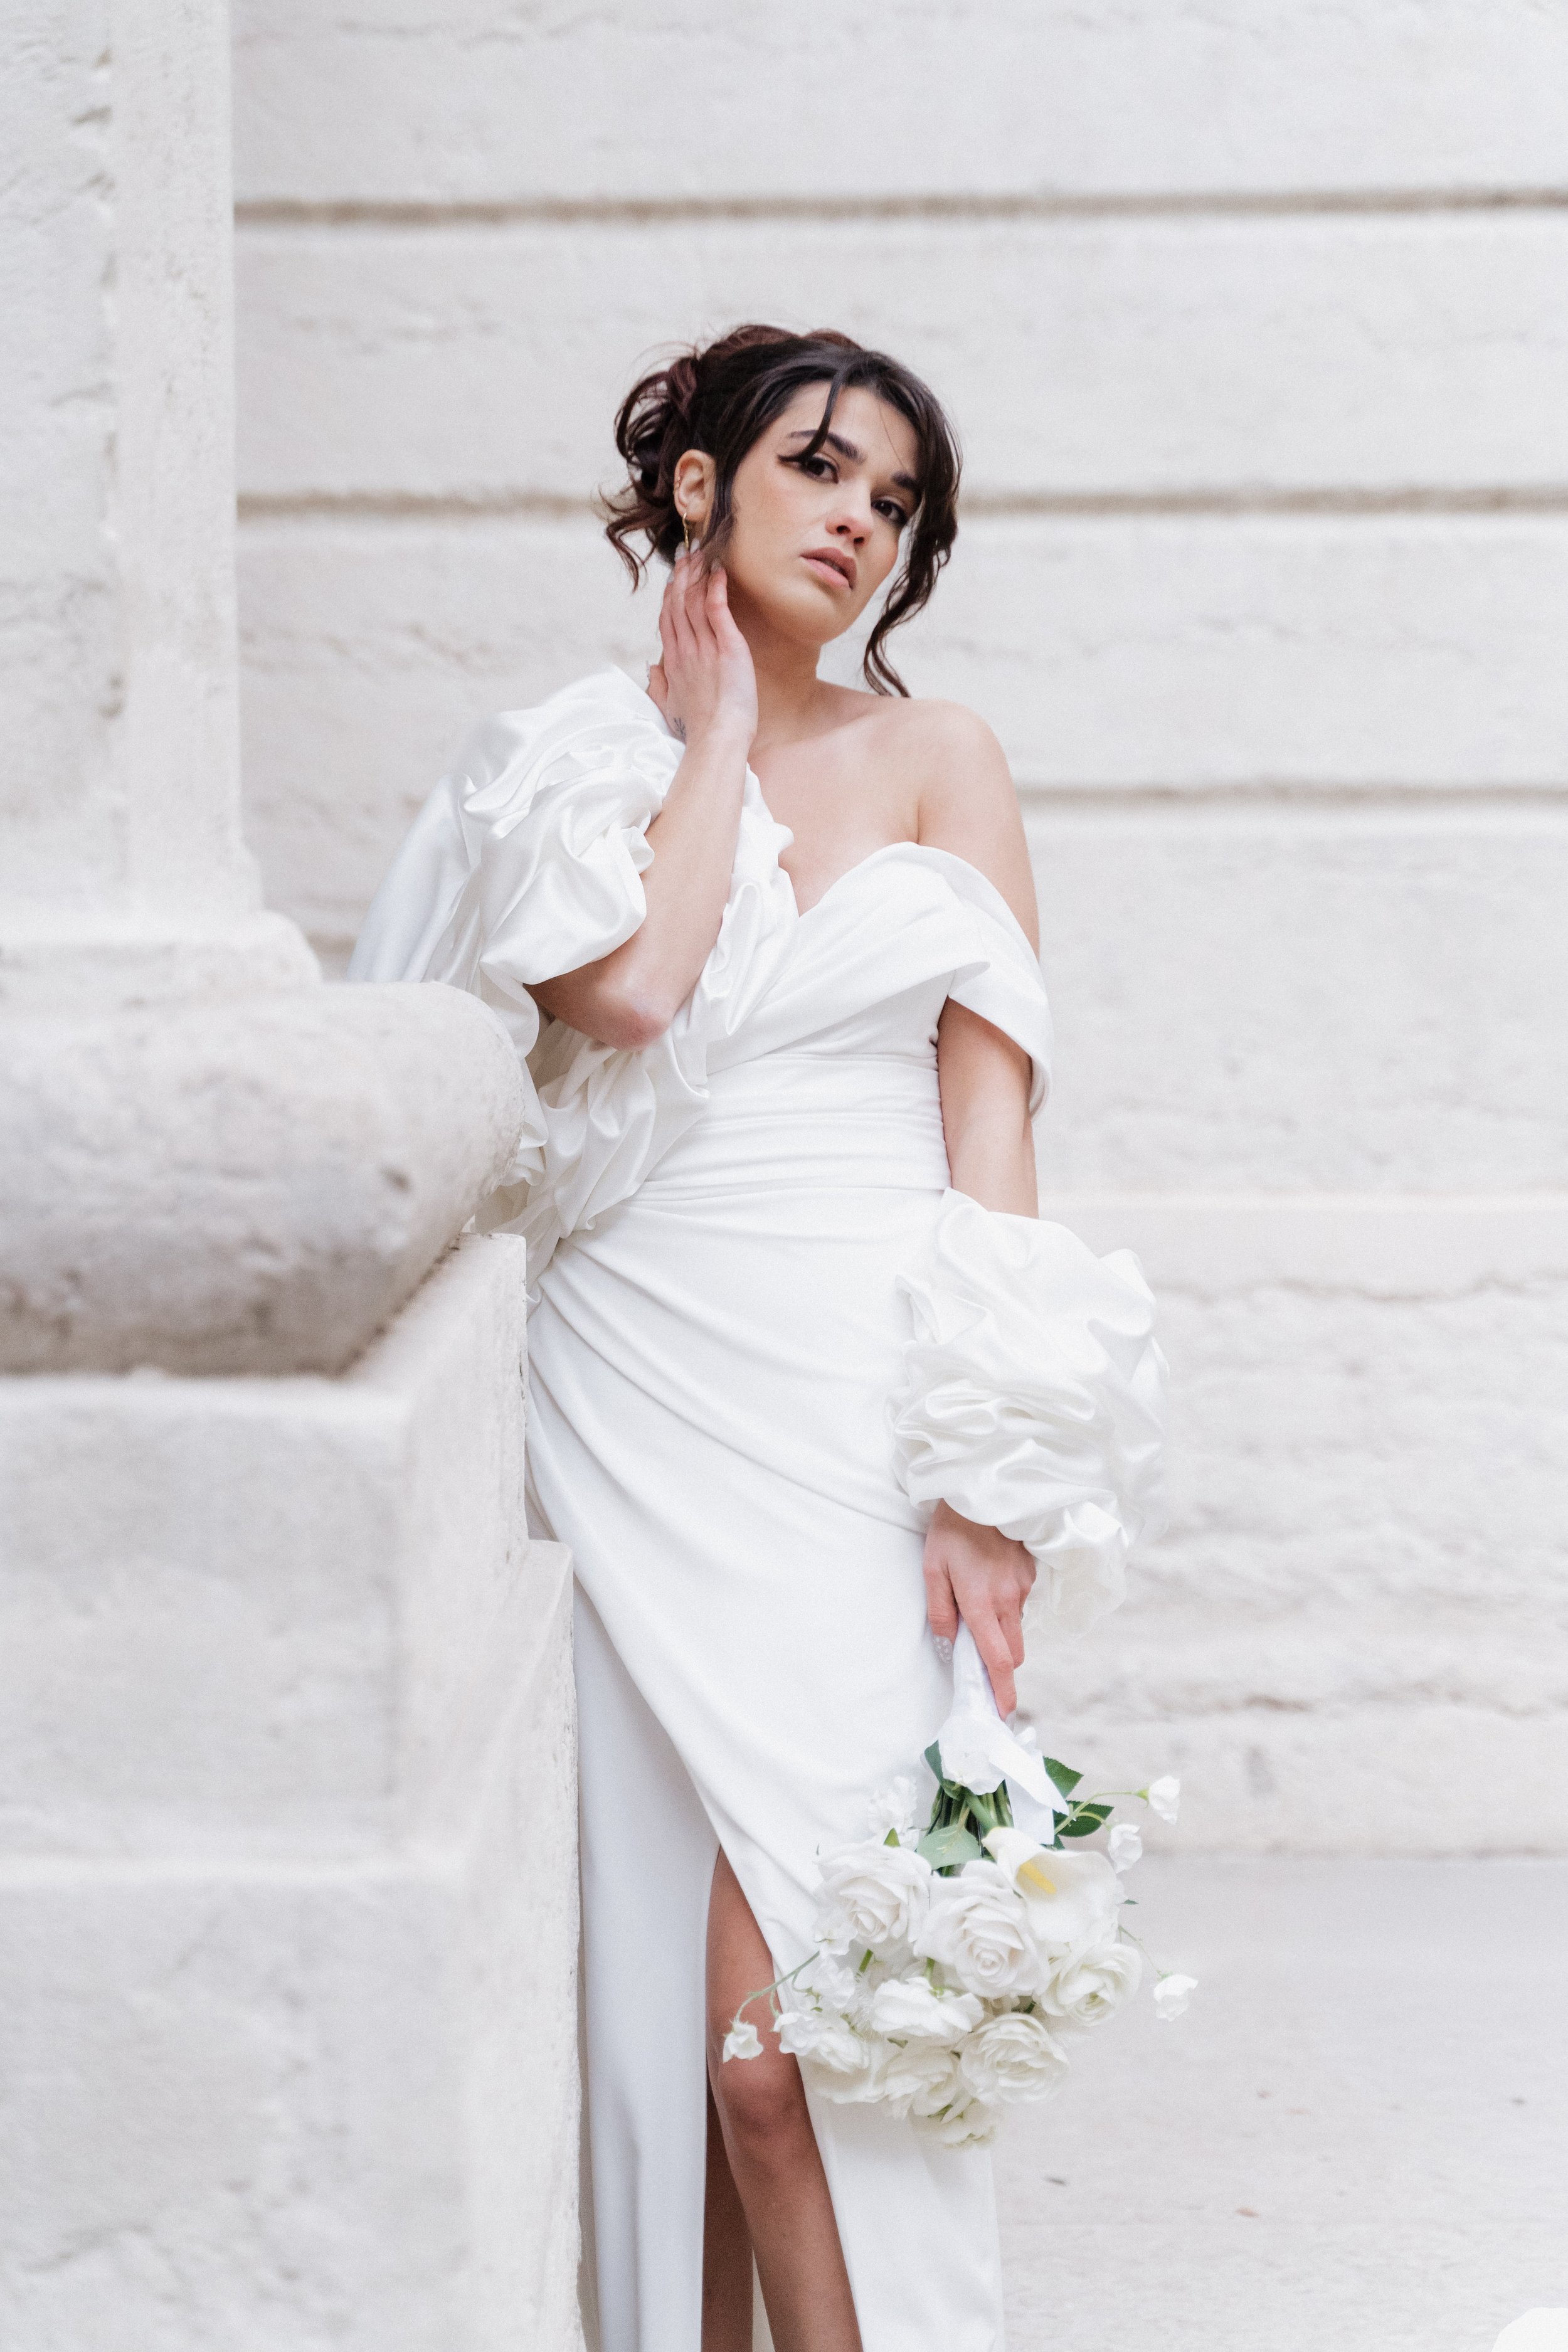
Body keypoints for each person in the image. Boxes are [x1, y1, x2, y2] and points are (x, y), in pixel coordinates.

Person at [350, 326, 1163, 2352]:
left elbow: (992, 1124)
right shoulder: (565, 757)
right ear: (699, 485)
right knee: (676, 2050)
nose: (858, 522)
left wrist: (988, 1474)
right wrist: (710, 731)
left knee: (790, 2059)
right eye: (817, 468)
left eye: (895, 502)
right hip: (633, 1405)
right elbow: (627, 993)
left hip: (856, 1422)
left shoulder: (939, 754)